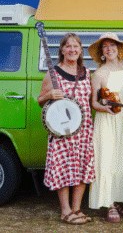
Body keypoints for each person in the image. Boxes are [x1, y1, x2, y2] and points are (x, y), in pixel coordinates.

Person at [37, 33, 95, 224]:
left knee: (81, 168)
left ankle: (77, 210)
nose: (72, 50)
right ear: (62, 50)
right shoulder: (53, 72)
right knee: (63, 168)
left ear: (80, 50)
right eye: (68, 46)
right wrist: (49, 95)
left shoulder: (86, 73)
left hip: (84, 128)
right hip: (63, 129)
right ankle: (65, 211)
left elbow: (92, 100)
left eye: (76, 46)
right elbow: (40, 100)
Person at [88, 32, 123, 223]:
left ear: (118, 48)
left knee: (122, 158)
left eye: (112, 45)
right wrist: (104, 108)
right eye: (105, 47)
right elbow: (94, 103)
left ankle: (121, 198)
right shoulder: (98, 73)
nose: (109, 49)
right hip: (106, 120)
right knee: (106, 159)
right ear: (102, 53)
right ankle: (109, 204)